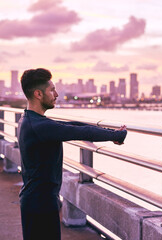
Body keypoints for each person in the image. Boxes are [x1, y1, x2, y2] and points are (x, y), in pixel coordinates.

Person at [17, 68, 127, 240]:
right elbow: (80, 132)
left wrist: (109, 132)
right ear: (38, 94)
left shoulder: (30, 120)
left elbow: (73, 125)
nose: (56, 94)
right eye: (52, 89)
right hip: (40, 205)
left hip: (37, 201)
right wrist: (116, 135)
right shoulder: (40, 127)